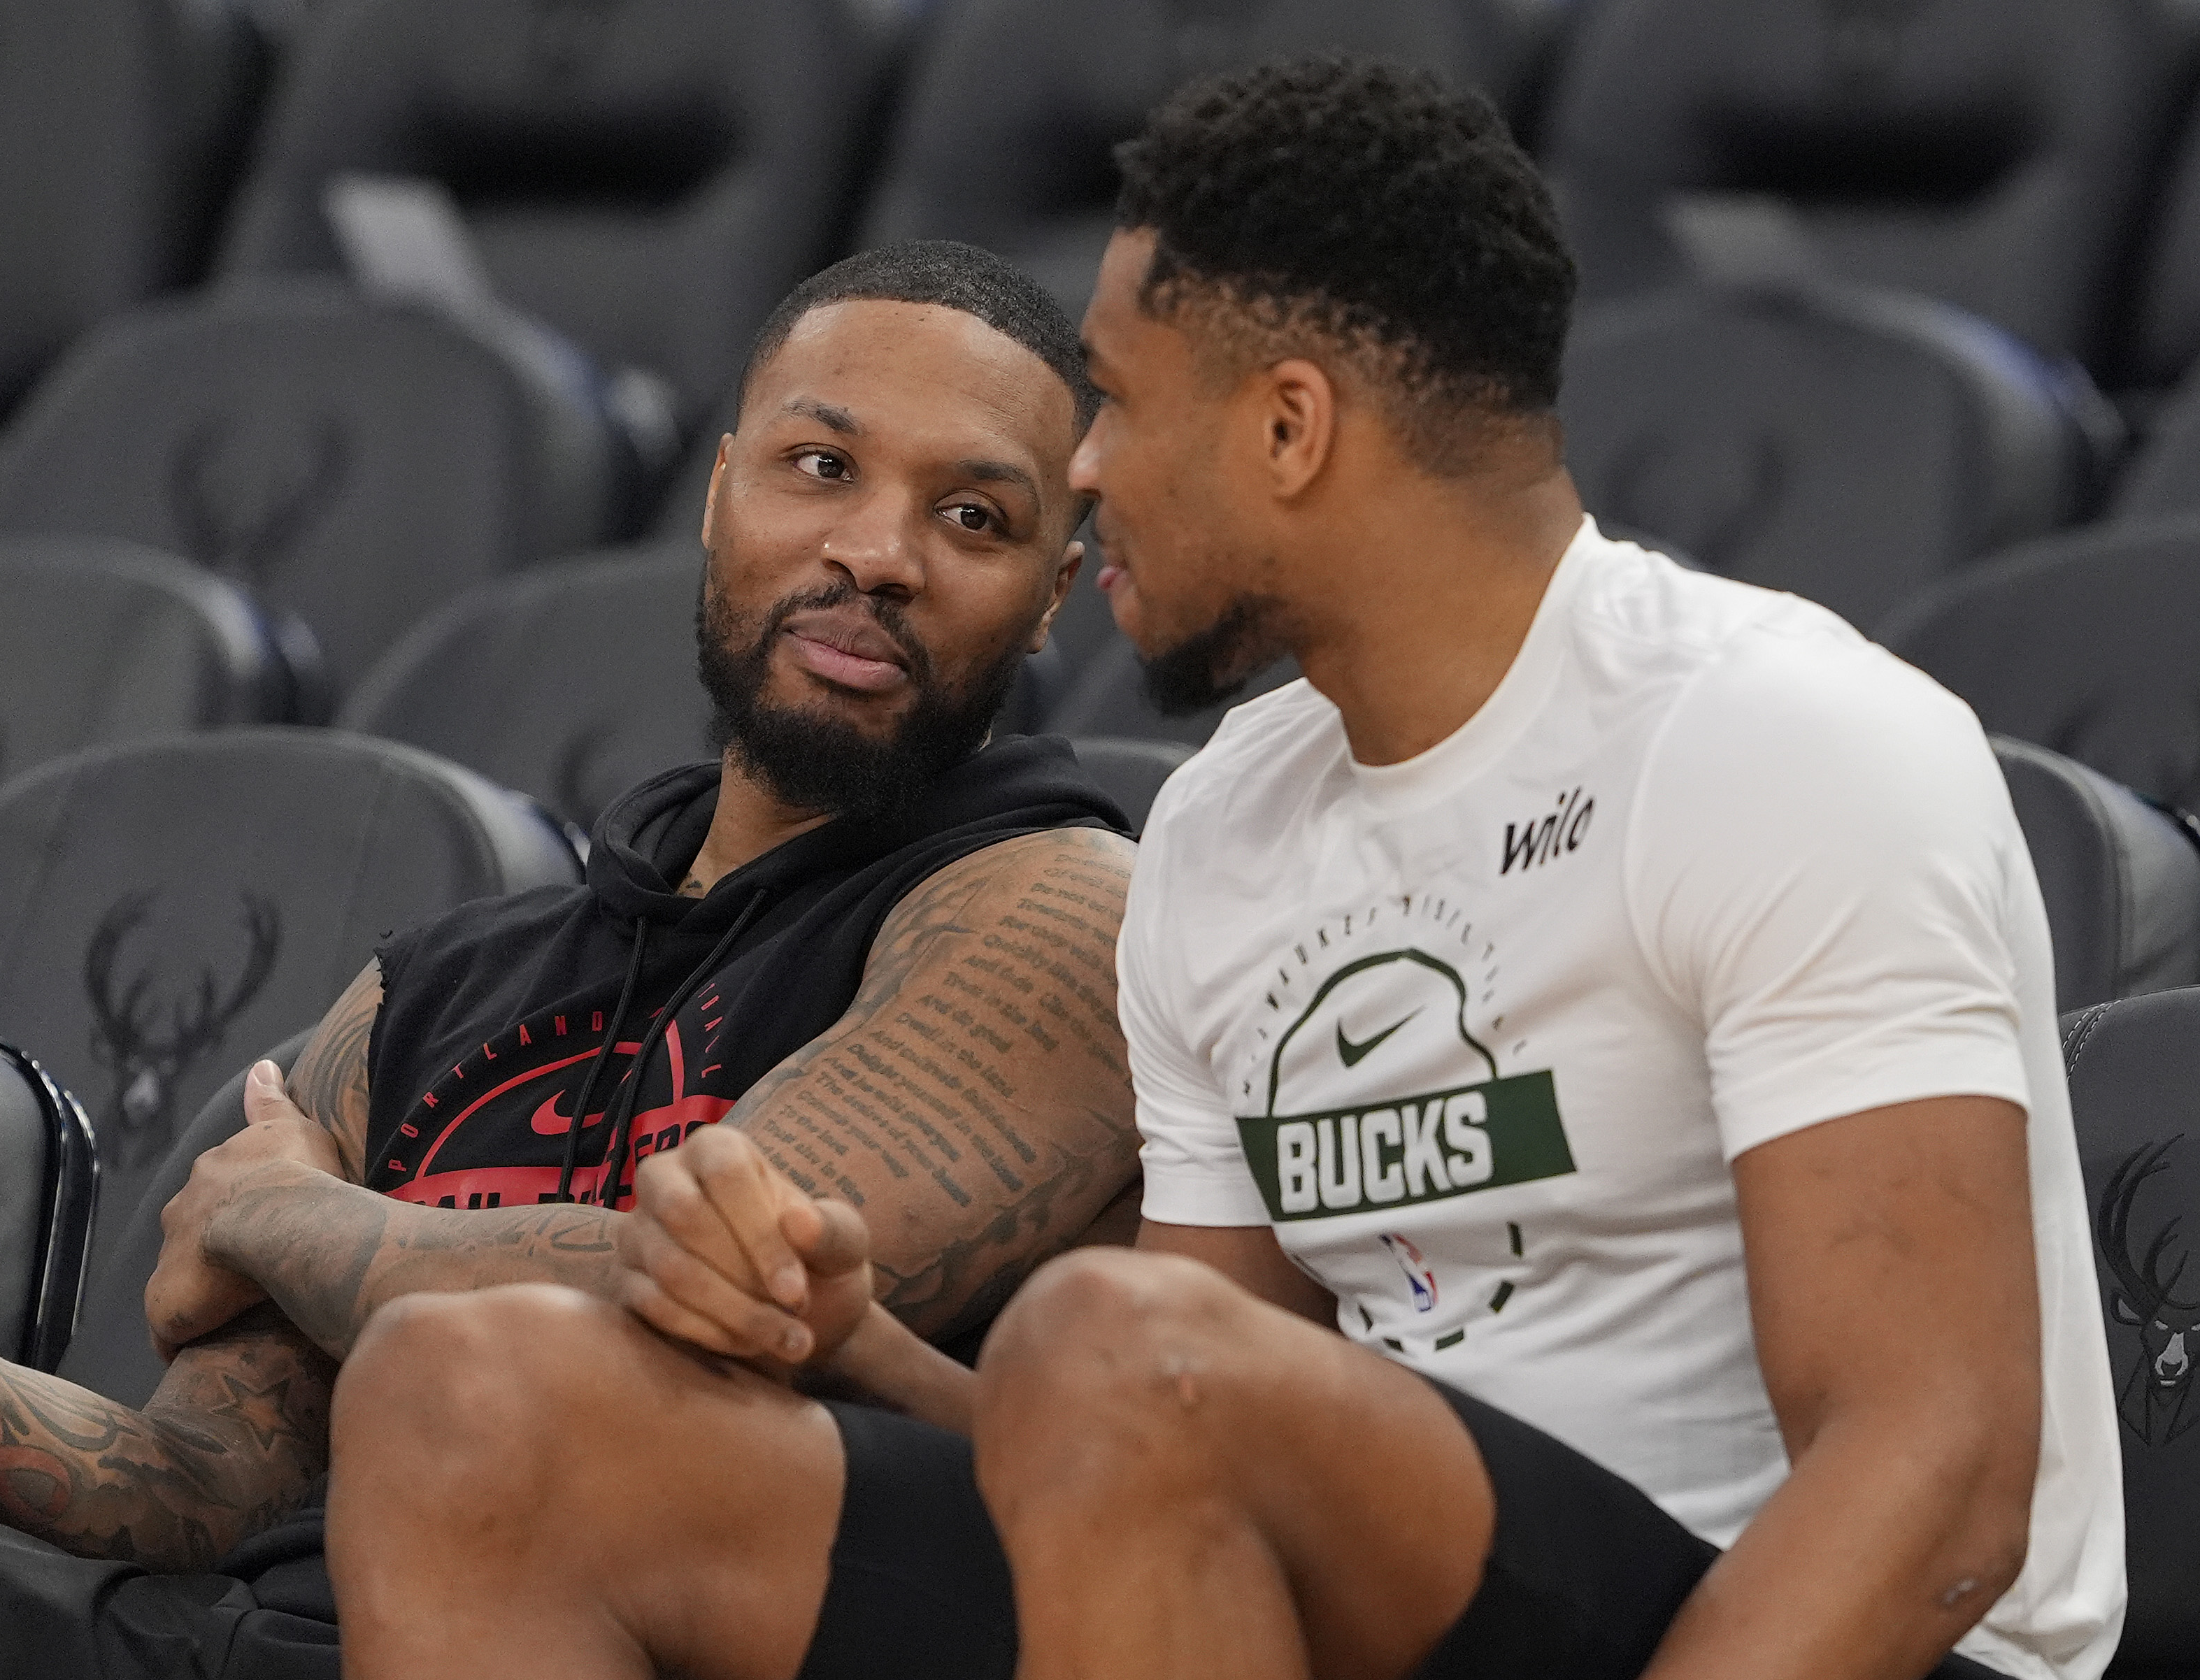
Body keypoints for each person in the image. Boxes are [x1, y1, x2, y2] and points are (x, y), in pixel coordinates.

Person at [321, 57, 2124, 1680]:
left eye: (1110, 401)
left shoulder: (1773, 734)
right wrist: (848, 1336)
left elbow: (1937, 1481)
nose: (1082, 473)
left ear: (1285, 429)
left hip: (1828, 1627)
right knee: (474, 1400)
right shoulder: (1227, 819)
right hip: (1383, 1594)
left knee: (1114, 1337)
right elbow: (1152, 1432)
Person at [0, 239, 1143, 1679]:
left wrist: (281, 1220)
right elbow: (191, 1487)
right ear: (718, 493)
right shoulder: (439, 980)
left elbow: (700, 1297)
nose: (876, 554)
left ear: (1051, 591)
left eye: (968, 516)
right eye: (821, 467)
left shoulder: (1048, 910)